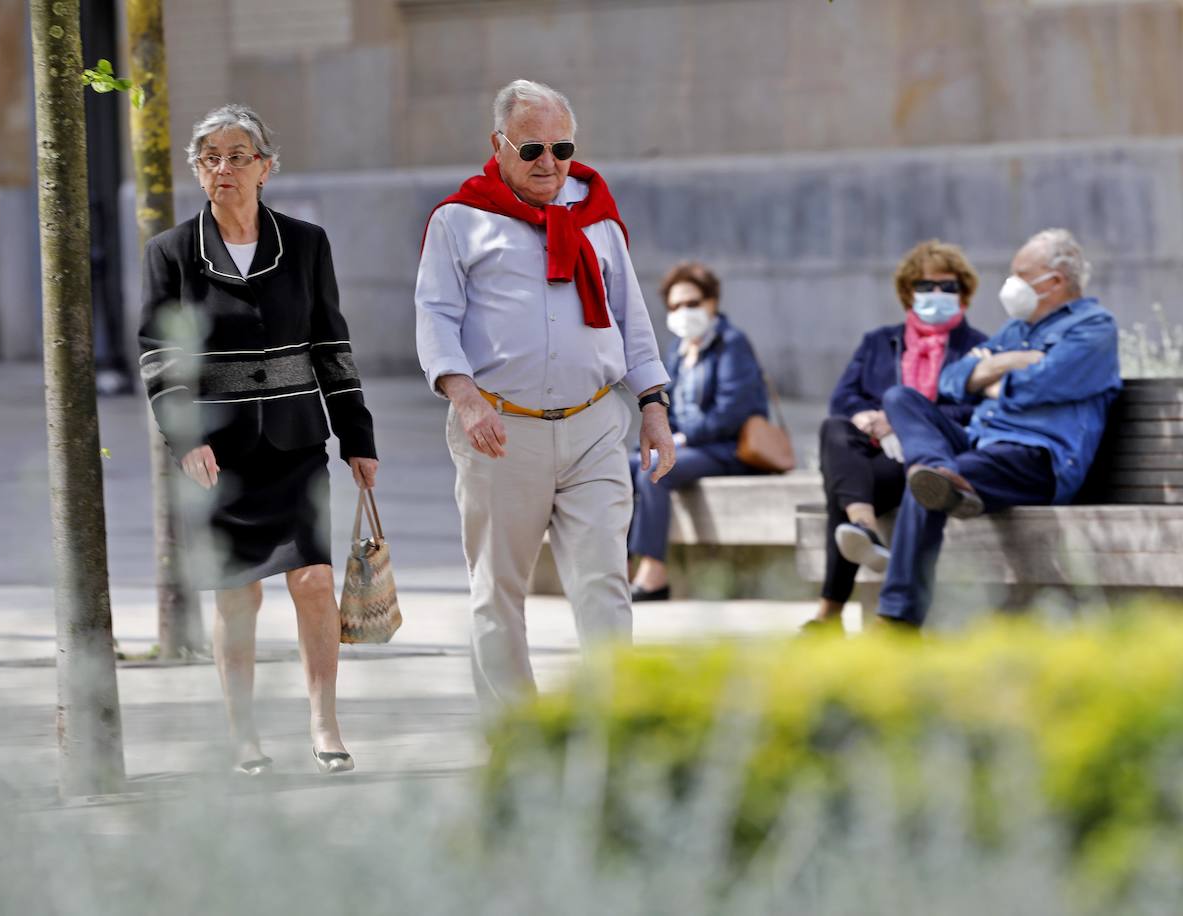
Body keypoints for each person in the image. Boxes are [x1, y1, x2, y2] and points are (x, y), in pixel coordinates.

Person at [414, 79, 674, 717]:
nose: (549, 163)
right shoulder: (460, 220)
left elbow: (630, 317)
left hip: (593, 425)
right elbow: (435, 317)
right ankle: (515, 731)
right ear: (497, 145)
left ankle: (615, 722)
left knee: (605, 582)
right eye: (532, 149)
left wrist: (653, 405)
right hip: (500, 431)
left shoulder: (596, 214)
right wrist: (466, 398)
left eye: (562, 147)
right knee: (498, 589)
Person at [138, 104, 379, 775]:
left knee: (313, 578)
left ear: (266, 168)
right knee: (237, 594)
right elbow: (158, 353)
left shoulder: (305, 244)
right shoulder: (170, 254)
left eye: (238, 155)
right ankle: (243, 733)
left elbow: (332, 343)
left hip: (297, 443)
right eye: (210, 157)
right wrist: (181, 435)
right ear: (197, 169)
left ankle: (324, 721)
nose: (224, 168)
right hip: (220, 455)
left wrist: (357, 433)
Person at [877, 228, 1120, 628]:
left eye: (1021, 275)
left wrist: (991, 370)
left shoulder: (1094, 328)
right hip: (980, 445)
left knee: (924, 488)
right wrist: (1015, 360)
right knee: (901, 399)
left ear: (1054, 281)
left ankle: (897, 619)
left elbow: (1039, 385)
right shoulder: (1016, 332)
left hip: (1036, 457)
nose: (1011, 285)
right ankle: (939, 471)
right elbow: (951, 382)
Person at [805, 240, 988, 628]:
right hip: (876, 454)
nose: (936, 294)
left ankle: (831, 609)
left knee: (844, 484)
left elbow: (977, 411)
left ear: (963, 293)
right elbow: (843, 398)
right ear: (908, 292)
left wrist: (903, 418)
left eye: (947, 286)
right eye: (925, 286)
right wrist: (868, 418)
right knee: (834, 430)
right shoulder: (879, 342)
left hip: (928, 460)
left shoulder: (978, 349)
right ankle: (863, 525)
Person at [627, 261, 768, 601]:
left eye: (692, 303)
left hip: (728, 449)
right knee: (622, 465)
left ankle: (654, 573)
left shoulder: (732, 344)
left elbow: (732, 413)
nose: (684, 312)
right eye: (675, 306)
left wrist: (683, 437)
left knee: (652, 471)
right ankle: (619, 563)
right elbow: (669, 405)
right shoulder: (678, 349)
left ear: (712, 301)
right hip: (689, 449)